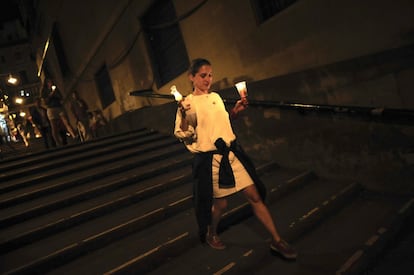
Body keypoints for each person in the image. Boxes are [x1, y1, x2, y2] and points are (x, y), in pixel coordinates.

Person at [173, 58, 297, 260]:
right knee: (221, 205)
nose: (208, 79)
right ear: (192, 77)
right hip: (212, 160)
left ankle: (276, 240)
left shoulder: (216, 97)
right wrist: (184, 114)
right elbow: (184, 133)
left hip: (231, 154)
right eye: (203, 75)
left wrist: (235, 113)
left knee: (254, 195)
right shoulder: (187, 103)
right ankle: (212, 232)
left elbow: (220, 123)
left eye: (210, 75)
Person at [41, 79, 77, 145]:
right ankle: (58, 142)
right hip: (51, 109)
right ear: (46, 84)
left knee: (66, 121)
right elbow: (45, 102)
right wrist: (51, 94)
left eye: (51, 82)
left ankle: (74, 135)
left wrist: (56, 93)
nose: (51, 83)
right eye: (49, 82)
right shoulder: (44, 92)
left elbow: (61, 97)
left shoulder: (56, 89)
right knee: (54, 127)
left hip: (59, 107)